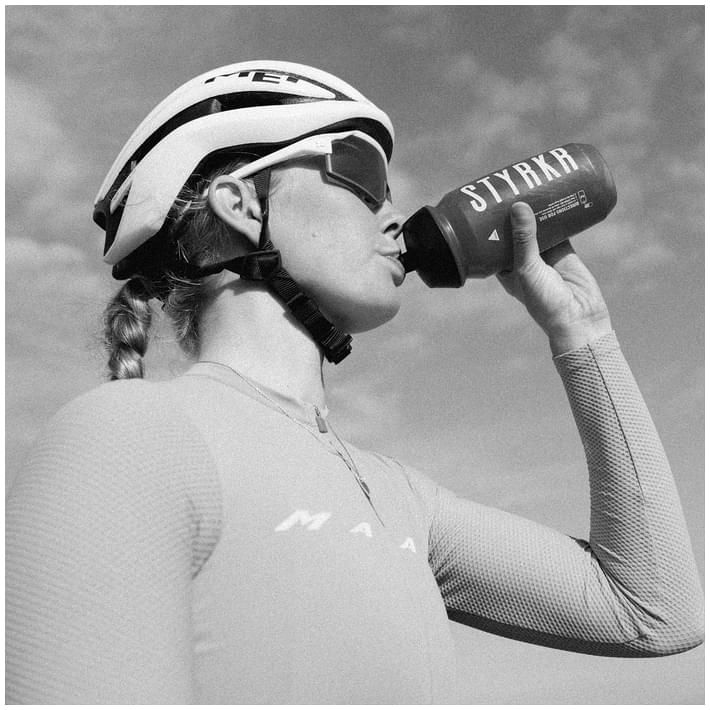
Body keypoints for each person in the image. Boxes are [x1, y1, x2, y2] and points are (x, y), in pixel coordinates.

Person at [6, 61, 703, 704]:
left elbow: (654, 610)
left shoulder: (402, 500)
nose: (394, 215)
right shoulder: (129, 438)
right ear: (240, 204)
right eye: (362, 175)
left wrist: (583, 333)